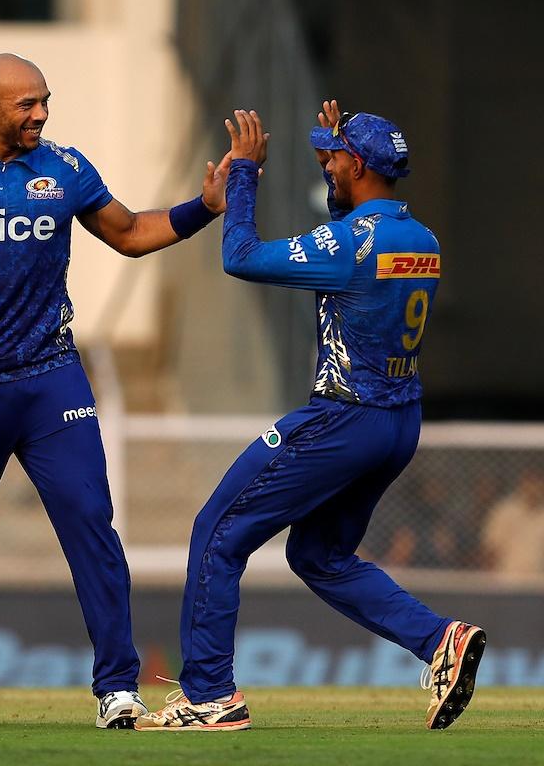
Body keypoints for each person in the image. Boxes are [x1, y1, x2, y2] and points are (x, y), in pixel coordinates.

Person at [0, 53, 230, 729]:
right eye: (27, 104)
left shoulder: (64, 168)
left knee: (92, 523)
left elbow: (128, 233)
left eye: (44, 101)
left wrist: (204, 209)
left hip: (50, 379)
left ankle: (118, 687)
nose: (40, 114)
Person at [135, 104, 485, 732]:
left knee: (217, 530)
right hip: (398, 424)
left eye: (332, 155)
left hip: (342, 420)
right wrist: (340, 163)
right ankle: (441, 642)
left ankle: (209, 696)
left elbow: (241, 255)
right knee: (320, 555)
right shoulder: (421, 239)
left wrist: (243, 174)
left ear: (358, 165)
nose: (325, 161)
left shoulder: (350, 245)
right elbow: (350, 231)